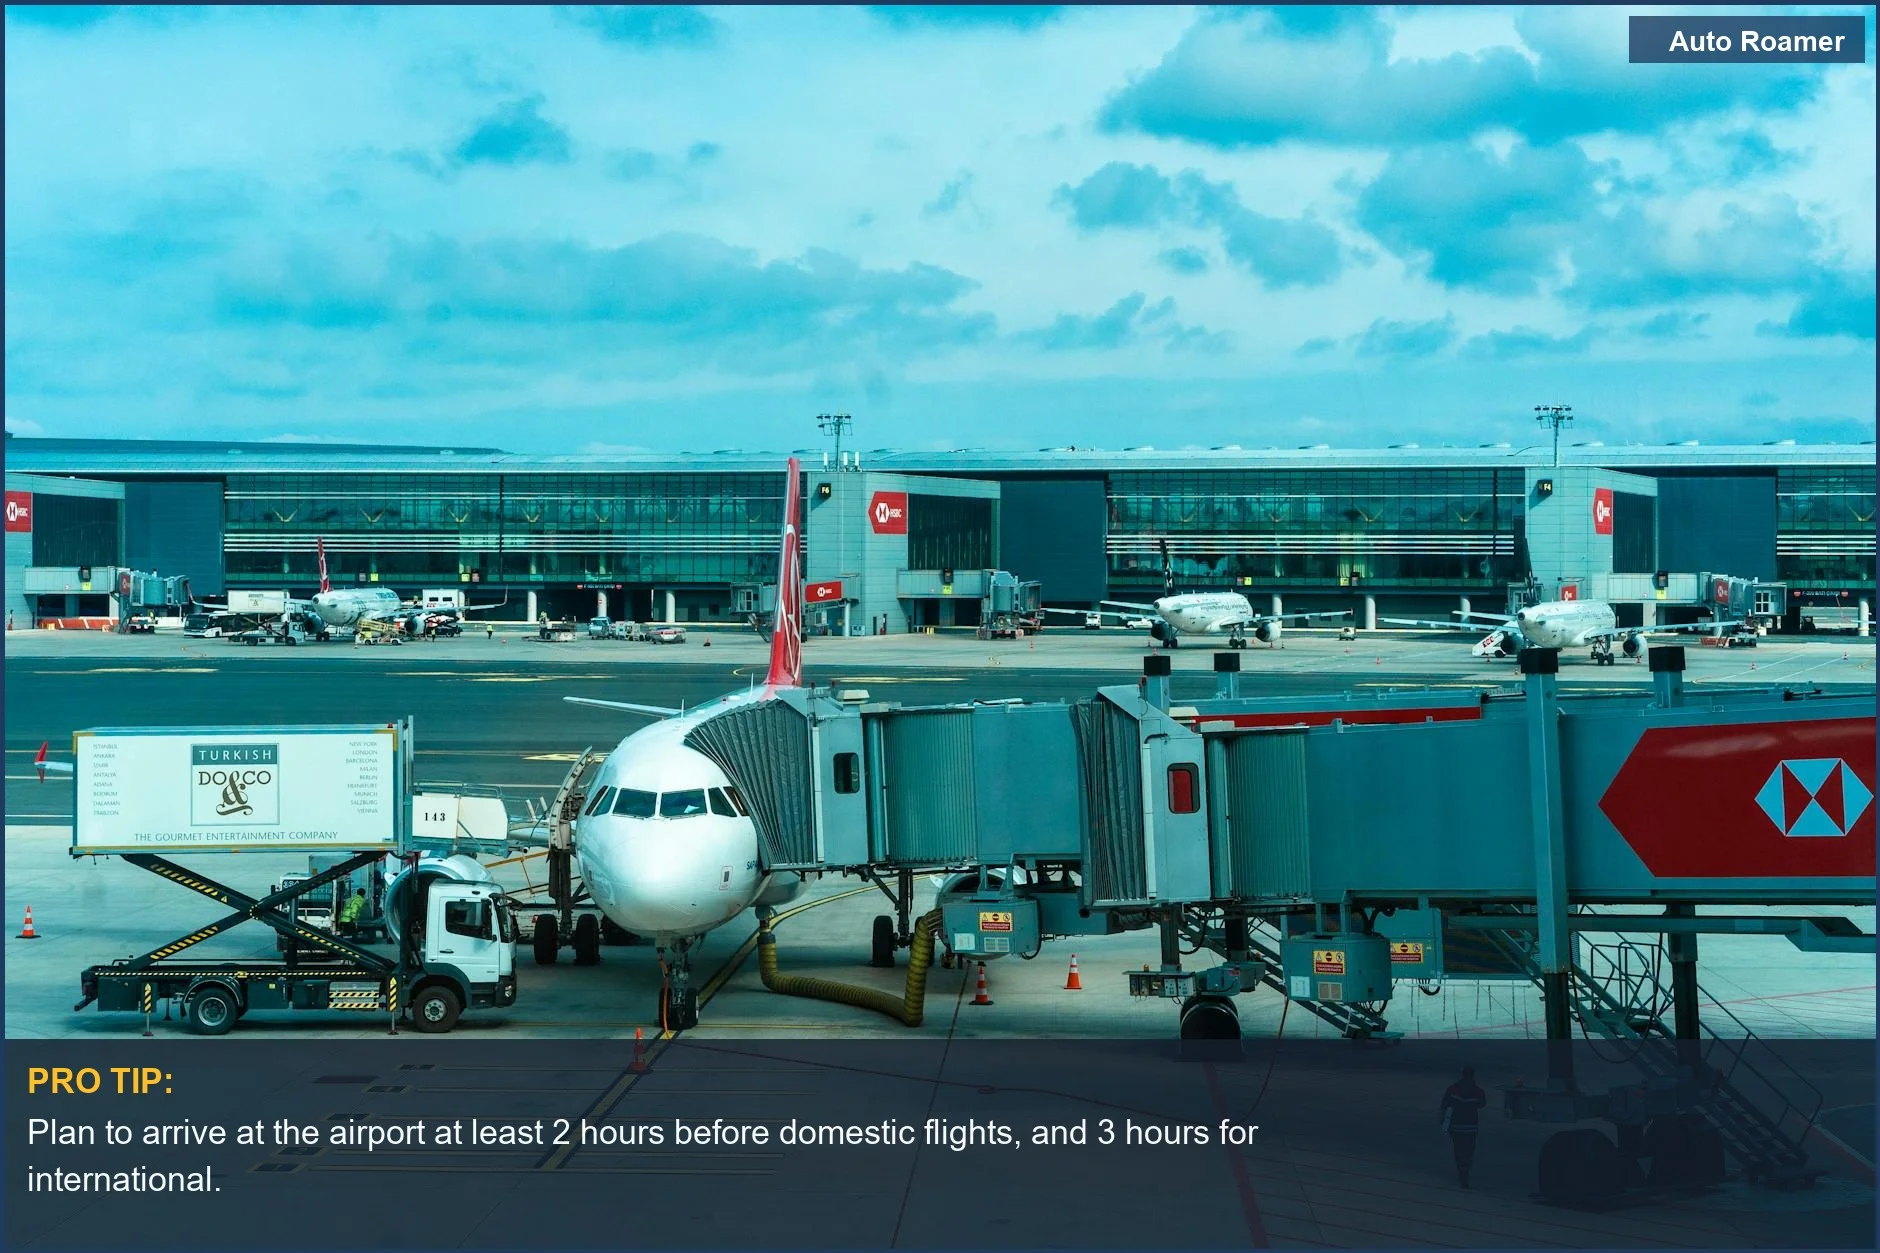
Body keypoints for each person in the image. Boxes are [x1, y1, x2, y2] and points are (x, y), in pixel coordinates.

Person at [1439, 1066, 1487, 1187]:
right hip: (1471, 1126)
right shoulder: (1478, 1091)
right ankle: (1465, 1170)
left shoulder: (1452, 1089)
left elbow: (1444, 1104)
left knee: (1459, 1149)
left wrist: (1443, 1121)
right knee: (1468, 1150)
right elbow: (1482, 1104)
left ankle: (1461, 1170)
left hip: (1456, 1126)